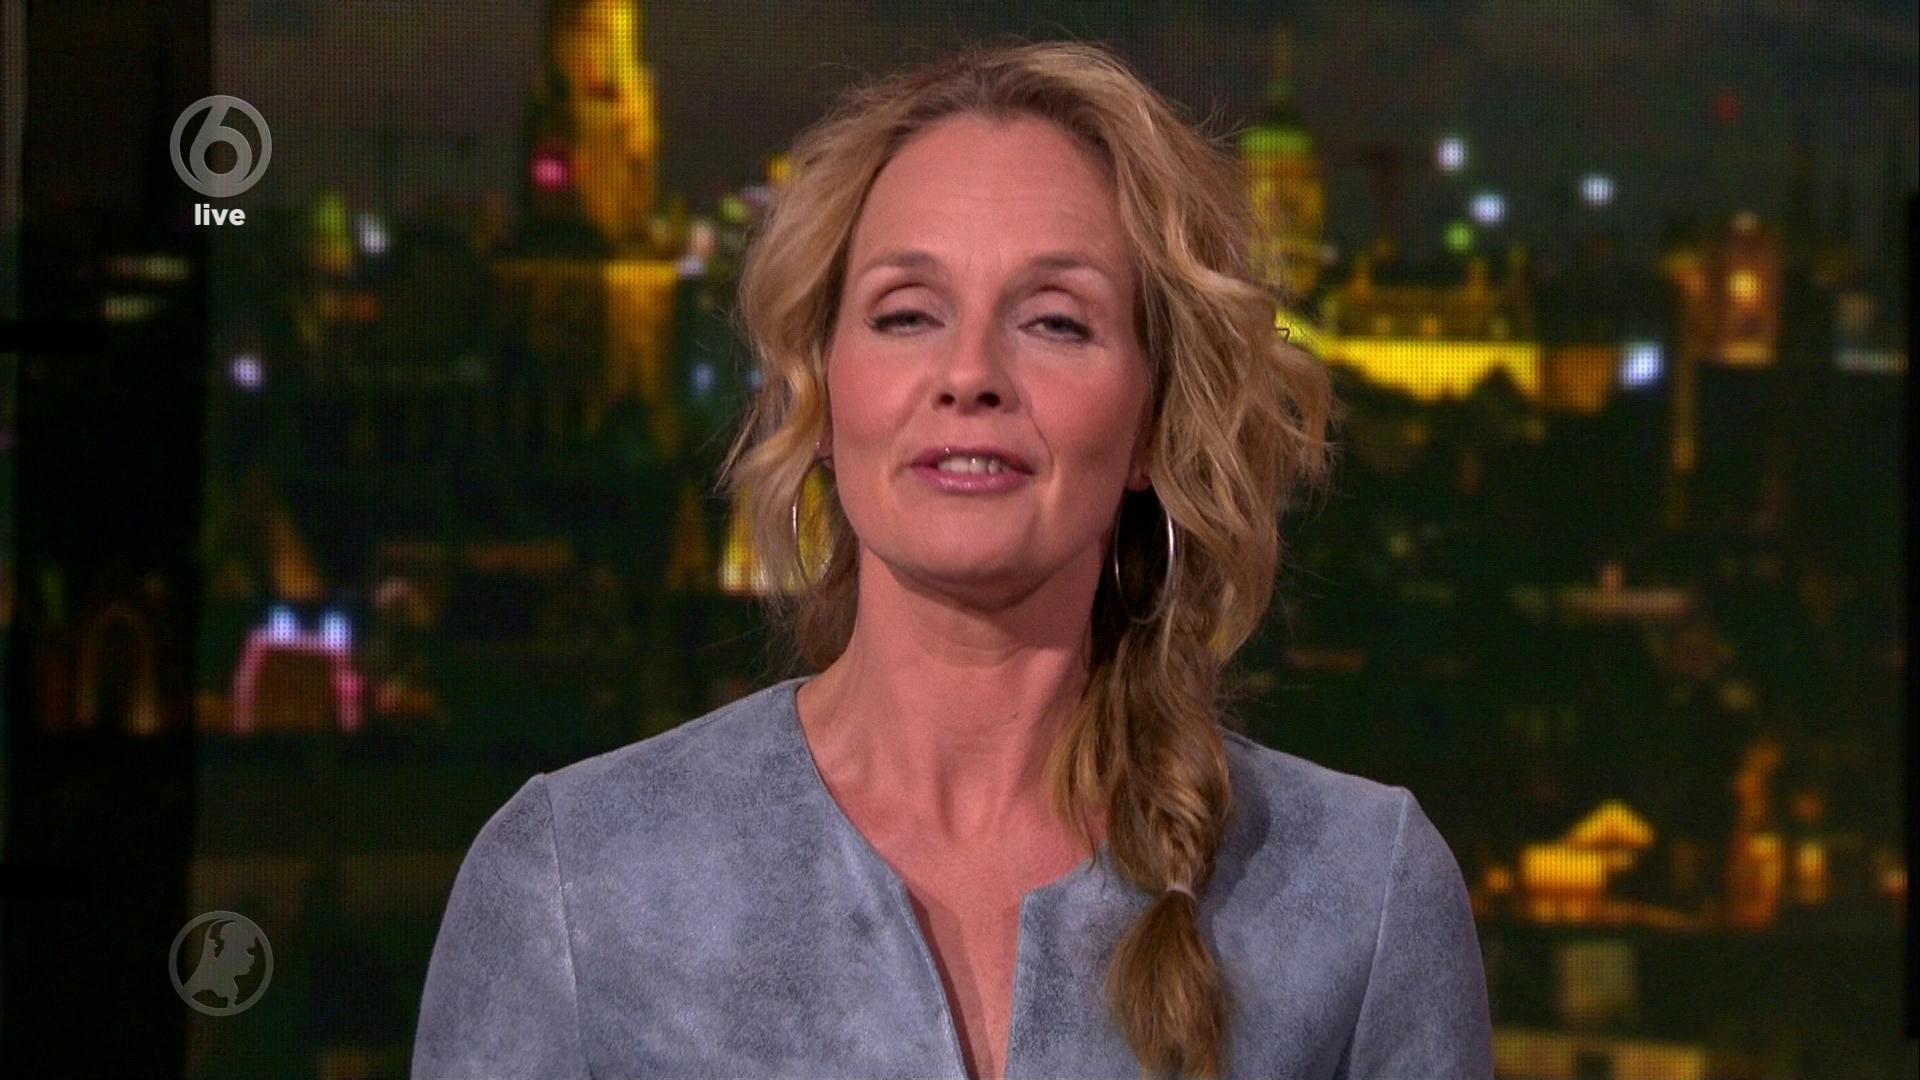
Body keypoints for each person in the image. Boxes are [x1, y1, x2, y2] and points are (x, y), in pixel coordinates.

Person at [412, 38, 1493, 1080]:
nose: (969, 372)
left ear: (1155, 419)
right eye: (907, 314)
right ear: (820, 393)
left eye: (1056, 322)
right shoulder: (570, 881)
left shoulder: (1364, 895)